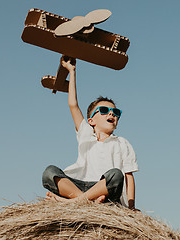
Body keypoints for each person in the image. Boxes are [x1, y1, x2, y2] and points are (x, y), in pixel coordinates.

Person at [42, 57, 139, 210]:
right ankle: (86, 200)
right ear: (91, 120)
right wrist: (72, 72)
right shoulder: (85, 134)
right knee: (49, 172)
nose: (111, 114)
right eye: (105, 111)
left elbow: (128, 176)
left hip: (104, 191)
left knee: (116, 175)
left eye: (115, 112)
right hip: (79, 184)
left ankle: (73, 203)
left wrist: (131, 207)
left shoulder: (122, 143)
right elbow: (73, 105)